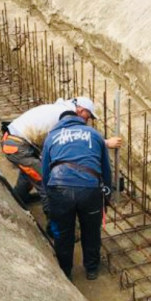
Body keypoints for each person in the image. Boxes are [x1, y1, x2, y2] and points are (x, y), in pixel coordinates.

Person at [42, 97, 114, 280]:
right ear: (81, 117)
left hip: (59, 188)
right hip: (89, 189)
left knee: (63, 232)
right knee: (91, 230)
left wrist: (49, 196)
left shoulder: (51, 137)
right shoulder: (95, 135)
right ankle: (91, 269)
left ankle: (65, 272)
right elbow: (106, 169)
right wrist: (107, 193)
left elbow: (45, 172)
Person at [2, 98, 122, 207]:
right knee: (46, 182)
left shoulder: (61, 110)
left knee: (31, 171)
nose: (88, 120)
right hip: (17, 145)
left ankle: (18, 198)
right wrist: (106, 143)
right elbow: (77, 140)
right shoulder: (65, 117)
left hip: (17, 141)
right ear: (80, 110)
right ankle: (54, 227)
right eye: (88, 115)